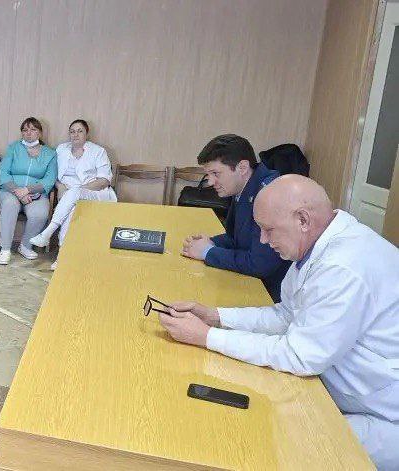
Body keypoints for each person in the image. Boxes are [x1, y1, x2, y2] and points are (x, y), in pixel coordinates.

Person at [158, 175, 399, 469]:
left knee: (293, 444)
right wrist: (217, 316)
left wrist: (206, 336)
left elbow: (299, 355)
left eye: (268, 229)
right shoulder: (318, 245)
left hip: (386, 415)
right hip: (348, 390)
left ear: (303, 220)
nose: (262, 240)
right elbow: (287, 315)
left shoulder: (343, 267)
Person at [178, 134, 290, 302]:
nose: (210, 182)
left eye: (216, 173)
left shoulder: (269, 195)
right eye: (208, 174)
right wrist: (210, 242)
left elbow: (260, 264)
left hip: (270, 295)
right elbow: (236, 238)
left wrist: (208, 252)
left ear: (242, 167)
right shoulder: (243, 187)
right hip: (253, 284)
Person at [28, 120, 117, 270]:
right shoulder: (61, 149)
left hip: (95, 193)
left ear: (86, 133)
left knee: (74, 192)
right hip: (68, 196)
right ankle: (62, 257)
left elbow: (104, 180)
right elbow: (53, 174)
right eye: (72, 131)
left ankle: (48, 233)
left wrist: (78, 191)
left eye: (80, 131)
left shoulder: (98, 151)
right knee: (72, 210)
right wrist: (59, 186)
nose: (75, 134)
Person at [0, 117, 57, 265]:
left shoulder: (50, 153)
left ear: (40, 133)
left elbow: (49, 180)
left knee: (40, 213)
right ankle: (5, 249)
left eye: (33, 129)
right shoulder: (13, 148)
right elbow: (3, 174)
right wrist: (18, 191)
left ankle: (25, 246)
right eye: (25, 130)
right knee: (10, 205)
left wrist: (27, 190)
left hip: (36, 194)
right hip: (10, 192)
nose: (28, 133)